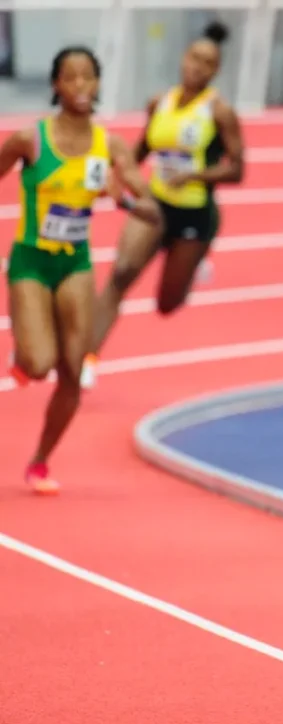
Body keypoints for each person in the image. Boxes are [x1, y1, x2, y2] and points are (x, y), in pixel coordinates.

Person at [2, 46, 162, 494]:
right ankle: (24, 354)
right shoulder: (28, 140)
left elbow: (151, 209)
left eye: (87, 77)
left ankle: (40, 461)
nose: (79, 86)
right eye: (69, 78)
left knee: (74, 368)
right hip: (31, 260)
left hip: (75, 263)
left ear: (97, 84)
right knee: (39, 363)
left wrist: (124, 199)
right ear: (55, 85)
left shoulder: (108, 145)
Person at [82, 20, 245, 390]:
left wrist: (194, 177)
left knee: (167, 305)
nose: (196, 67)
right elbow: (141, 150)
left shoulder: (219, 113)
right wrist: (114, 174)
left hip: (195, 214)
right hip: (155, 205)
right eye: (193, 58)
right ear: (183, 59)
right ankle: (86, 357)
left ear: (215, 70)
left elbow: (237, 169)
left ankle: (197, 257)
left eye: (206, 62)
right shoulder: (160, 102)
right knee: (121, 272)